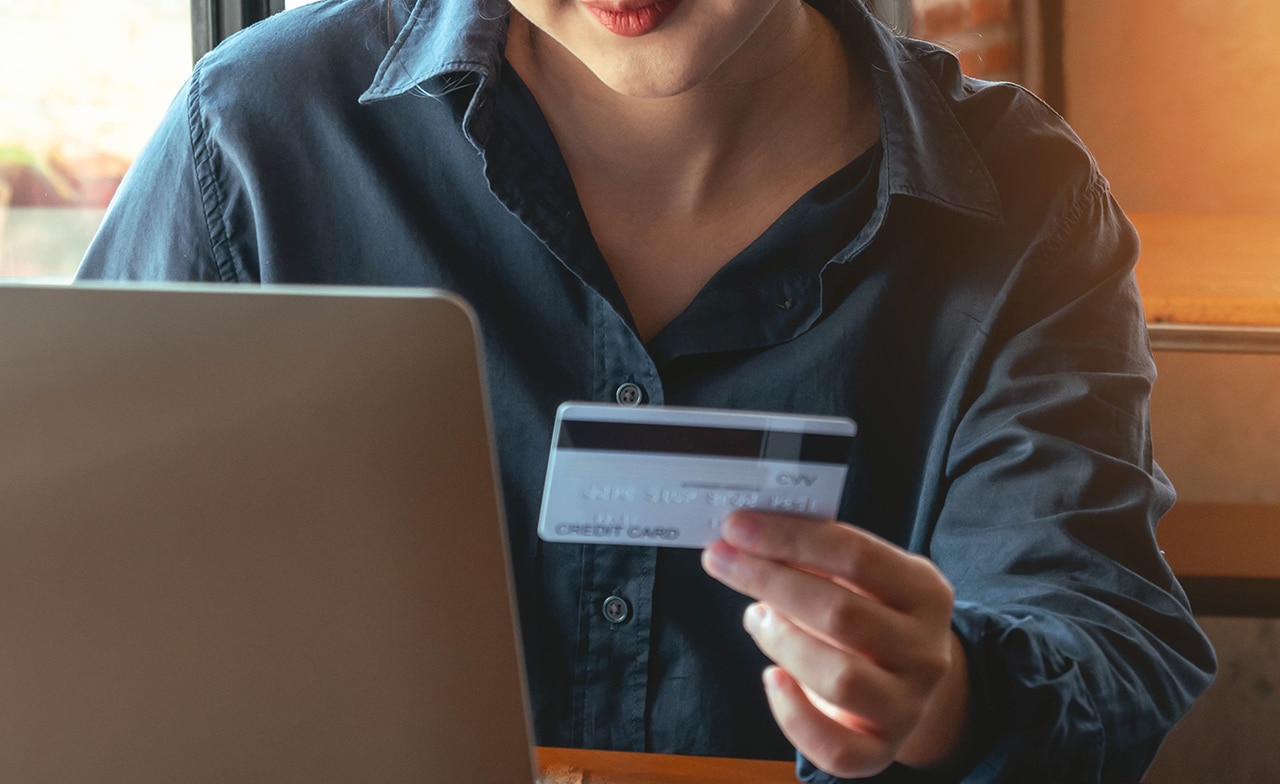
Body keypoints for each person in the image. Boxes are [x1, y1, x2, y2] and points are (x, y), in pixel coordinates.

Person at [78, 0, 1216, 781]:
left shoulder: (1020, 205)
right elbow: (67, 580)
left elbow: (1093, 629)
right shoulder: (254, 142)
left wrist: (949, 696)